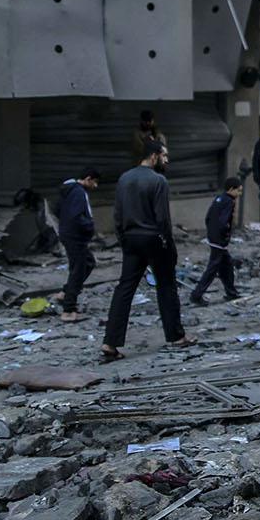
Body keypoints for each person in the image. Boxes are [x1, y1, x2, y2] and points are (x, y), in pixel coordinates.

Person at [103, 143, 192, 360]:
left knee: (125, 288)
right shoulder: (158, 181)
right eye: (164, 156)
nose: (166, 160)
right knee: (166, 286)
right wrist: (169, 246)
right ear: (154, 157)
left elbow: (117, 215)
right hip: (153, 238)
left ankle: (110, 342)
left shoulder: (124, 178)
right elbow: (163, 219)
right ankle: (176, 336)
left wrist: (124, 240)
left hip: (131, 238)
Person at [190, 176, 243, 306]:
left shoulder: (219, 199)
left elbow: (208, 217)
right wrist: (224, 235)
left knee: (227, 266)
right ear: (231, 189)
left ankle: (231, 292)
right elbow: (224, 222)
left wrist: (212, 234)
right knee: (212, 269)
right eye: (239, 191)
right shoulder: (229, 202)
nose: (240, 194)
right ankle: (196, 295)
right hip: (219, 241)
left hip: (214, 238)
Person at [57, 168, 99, 322]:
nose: (95, 186)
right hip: (75, 237)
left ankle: (66, 293)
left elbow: (57, 210)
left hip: (68, 234)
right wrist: (89, 226)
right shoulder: (79, 193)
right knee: (78, 269)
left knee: (88, 263)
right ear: (88, 179)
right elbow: (77, 217)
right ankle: (68, 310)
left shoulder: (68, 190)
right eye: (95, 182)